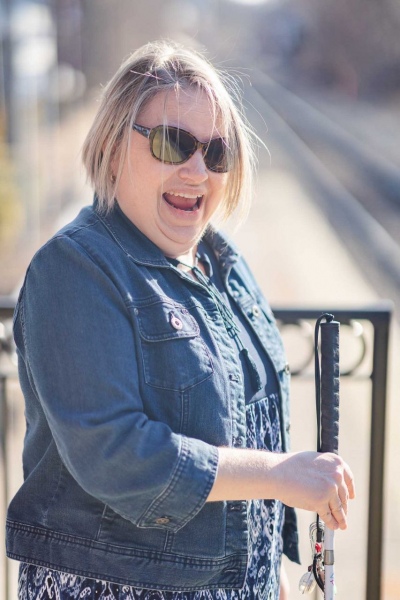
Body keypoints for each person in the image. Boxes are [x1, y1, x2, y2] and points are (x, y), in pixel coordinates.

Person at [6, 40, 355, 600]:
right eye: (174, 143)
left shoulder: (223, 263)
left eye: (216, 153)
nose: (198, 170)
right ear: (115, 148)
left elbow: (247, 423)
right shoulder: (75, 270)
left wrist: (269, 571)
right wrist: (277, 474)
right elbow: (117, 455)